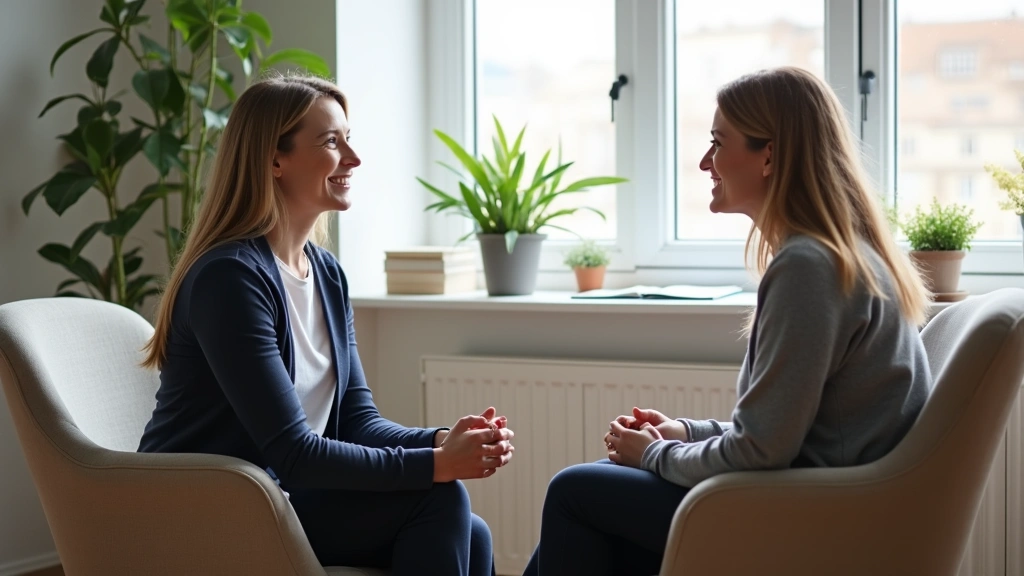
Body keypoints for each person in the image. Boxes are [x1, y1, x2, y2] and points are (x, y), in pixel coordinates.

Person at [523, 66, 933, 576]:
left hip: (813, 516)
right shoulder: (843, 256)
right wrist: (686, 433)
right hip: (817, 498)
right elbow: (790, 432)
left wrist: (658, 453)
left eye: (718, 143)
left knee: (574, 491)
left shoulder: (810, 266)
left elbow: (762, 451)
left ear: (770, 155)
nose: (704, 162)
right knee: (600, 490)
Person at [138, 73, 513, 576]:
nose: (353, 160)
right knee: (440, 502)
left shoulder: (326, 273)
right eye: (331, 142)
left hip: (279, 495)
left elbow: (358, 423)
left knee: (472, 528)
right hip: (211, 509)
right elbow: (293, 451)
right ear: (275, 160)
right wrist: (437, 466)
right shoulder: (229, 280)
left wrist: (441, 442)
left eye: (348, 140)